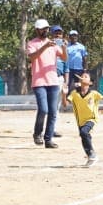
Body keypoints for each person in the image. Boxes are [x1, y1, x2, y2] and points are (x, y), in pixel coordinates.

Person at [63, 72, 103, 167]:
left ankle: (92, 154)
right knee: (84, 136)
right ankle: (90, 156)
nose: (83, 77)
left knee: (84, 133)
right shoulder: (74, 93)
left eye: (86, 76)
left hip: (92, 119)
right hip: (80, 121)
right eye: (82, 76)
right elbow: (65, 105)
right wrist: (63, 94)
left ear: (90, 83)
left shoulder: (94, 93)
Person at [26, 19, 65, 147]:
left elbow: (64, 57)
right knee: (43, 109)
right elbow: (32, 57)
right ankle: (37, 133)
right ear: (37, 30)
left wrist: (64, 47)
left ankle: (48, 140)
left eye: (47, 28)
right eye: (43, 29)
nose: (46, 31)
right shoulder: (32, 43)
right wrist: (45, 46)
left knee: (53, 112)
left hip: (53, 81)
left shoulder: (52, 44)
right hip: (39, 82)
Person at [65, 30, 89, 96]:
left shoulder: (81, 46)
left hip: (79, 69)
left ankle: (80, 98)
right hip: (68, 69)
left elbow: (85, 58)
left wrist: (85, 69)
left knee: (79, 84)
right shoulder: (66, 46)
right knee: (68, 84)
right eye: (72, 35)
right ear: (69, 37)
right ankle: (67, 99)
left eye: (75, 35)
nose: (74, 37)